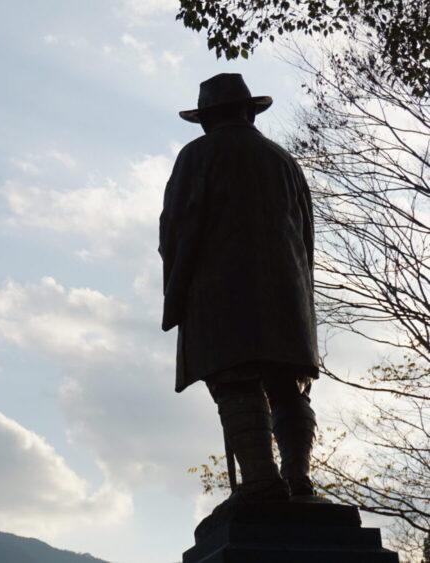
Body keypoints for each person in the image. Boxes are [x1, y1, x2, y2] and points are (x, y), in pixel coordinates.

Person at [158, 73, 328, 513]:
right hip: (288, 293)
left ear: (206, 119)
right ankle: (299, 478)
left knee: (235, 380)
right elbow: (307, 237)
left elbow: (175, 229)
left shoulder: (198, 155)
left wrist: (176, 289)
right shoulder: (284, 160)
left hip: (221, 292)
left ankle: (260, 480)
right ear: (249, 111)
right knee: (287, 386)